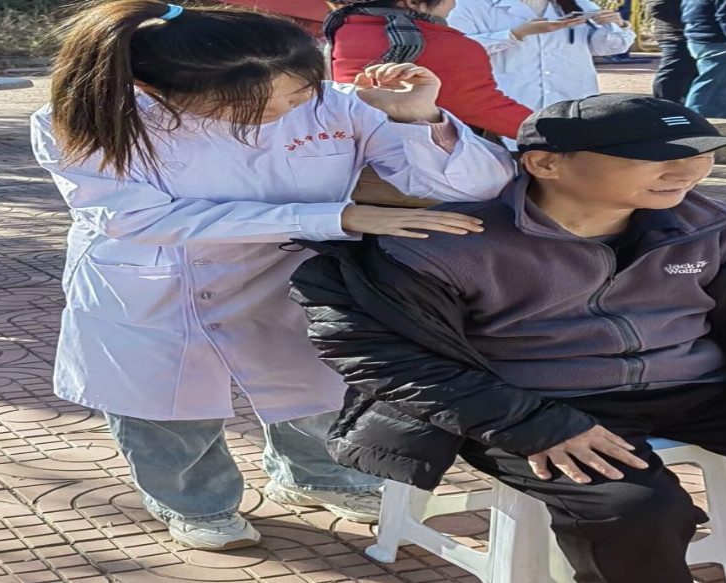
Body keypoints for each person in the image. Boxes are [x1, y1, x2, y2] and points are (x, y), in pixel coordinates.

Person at [290, 95, 726, 583]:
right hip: (529, 404)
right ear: (546, 162)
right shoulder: (447, 241)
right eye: (656, 157)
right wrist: (534, 424)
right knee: (638, 509)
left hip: (697, 388)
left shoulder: (715, 223)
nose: (689, 169)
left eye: (702, 153)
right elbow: (382, 354)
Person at [31, 0, 514, 551]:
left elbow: (480, 184)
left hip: (286, 269)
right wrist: (338, 217)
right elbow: (140, 219)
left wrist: (418, 118)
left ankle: (316, 475)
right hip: (158, 280)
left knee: (313, 387)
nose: (291, 109)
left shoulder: (337, 105)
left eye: (302, 90)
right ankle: (193, 501)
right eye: (258, 104)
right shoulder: (87, 120)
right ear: (160, 92)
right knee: (166, 407)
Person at [326, 0, 533, 140]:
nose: (454, 4)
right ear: (413, 2)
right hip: (413, 173)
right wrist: (548, 131)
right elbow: (487, 110)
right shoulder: (447, 45)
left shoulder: (340, 33)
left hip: (348, 160)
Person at [448, 0, 634, 147]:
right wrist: (514, 35)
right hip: (509, 102)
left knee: (569, 162)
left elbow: (609, 47)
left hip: (571, 99)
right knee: (511, 164)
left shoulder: (579, 4)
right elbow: (455, 48)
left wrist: (617, 25)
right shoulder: (470, 5)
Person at [647, 0, 697, 104]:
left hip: (697, 34)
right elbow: (658, 6)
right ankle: (665, 108)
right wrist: (693, 24)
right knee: (674, 76)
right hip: (676, 36)